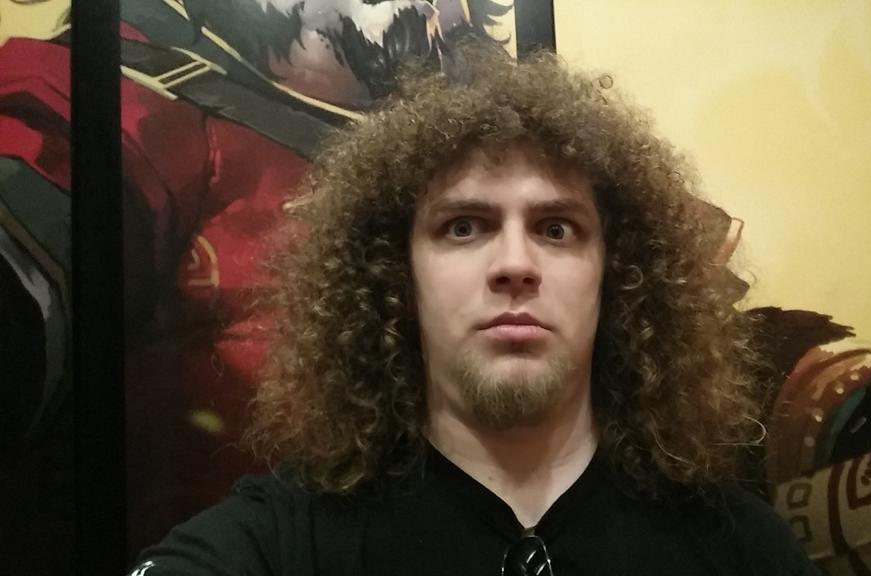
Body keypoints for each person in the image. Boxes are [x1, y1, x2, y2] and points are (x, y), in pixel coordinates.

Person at [129, 42, 821, 576]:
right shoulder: (280, 542)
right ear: (397, 275)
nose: (514, 264)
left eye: (556, 228)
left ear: (617, 274)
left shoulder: (741, 549)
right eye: (463, 227)